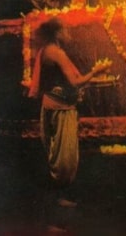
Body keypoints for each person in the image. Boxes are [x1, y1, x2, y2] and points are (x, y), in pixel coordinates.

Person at [25, 18, 111, 207]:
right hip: (61, 110)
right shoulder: (56, 53)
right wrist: (96, 71)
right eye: (65, 31)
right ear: (57, 34)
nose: (68, 34)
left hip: (50, 106)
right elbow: (74, 83)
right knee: (64, 159)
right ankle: (56, 202)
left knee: (55, 155)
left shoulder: (46, 51)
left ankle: (55, 200)